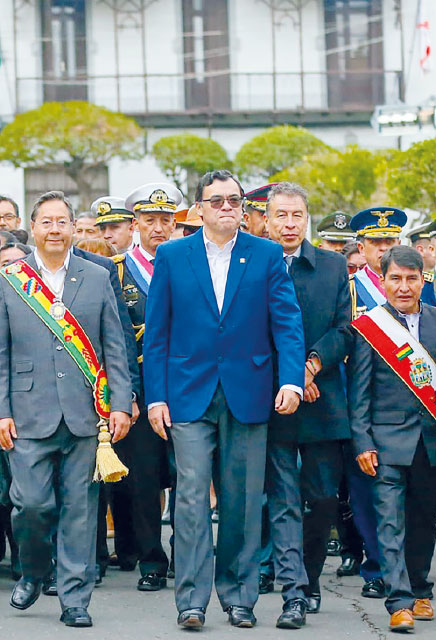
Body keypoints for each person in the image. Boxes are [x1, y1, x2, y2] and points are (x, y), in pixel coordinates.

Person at [143, 169, 304, 629]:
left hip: (249, 392)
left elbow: (287, 324)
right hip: (187, 395)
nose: (227, 208)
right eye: (217, 201)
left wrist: (290, 380)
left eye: (234, 201)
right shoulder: (173, 256)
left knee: (243, 500)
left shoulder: (267, 254)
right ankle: (191, 601)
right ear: (199, 209)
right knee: (191, 499)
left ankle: (239, 597)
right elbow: (156, 334)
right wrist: (156, 397)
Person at [0, 191, 132, 628]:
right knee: (31, 505)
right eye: (45, 222)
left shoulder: (96, 276)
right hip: (28, 413)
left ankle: (74, 599)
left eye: (61, 222)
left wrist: (121, 404)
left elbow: (114, 346)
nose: (54, 229)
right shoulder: (11, 279)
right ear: (33, 228)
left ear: (72, 227)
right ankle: (33, 569)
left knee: (80, 512)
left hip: (87, 414)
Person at [350, 245, 436, 633]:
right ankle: (398, 601)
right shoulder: (370, 326)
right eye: (396, 279)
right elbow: (360, 393)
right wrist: (362, 441)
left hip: (433, 441)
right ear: (383, 281)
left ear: (424, 280)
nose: (404, 287)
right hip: (385, 443)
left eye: (411, 278)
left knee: (423, 522)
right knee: (389, 523)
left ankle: (420, 590)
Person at [259, 182, 352, 628]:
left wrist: (310, 366)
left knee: (321, 499)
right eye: (281, 215)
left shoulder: (333, 266)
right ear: (267, 219)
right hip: (273, 401)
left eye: (297, 215)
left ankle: (309, 578)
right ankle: (291, 587)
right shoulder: (253, 261)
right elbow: (250, 332)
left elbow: (344, 329)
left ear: (307, 218)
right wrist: (289, 378)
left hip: (324, 400)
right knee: (282, 500)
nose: (289, 224)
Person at [110, 183, 178, 593]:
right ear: (135, 224)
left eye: (165, 220)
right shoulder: (117, 270)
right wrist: (128, 395)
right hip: (139, 386)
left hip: (184, 384)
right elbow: (115, 338)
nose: (158, 228)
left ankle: (186, 556)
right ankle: (152, 560)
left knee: (188, 477)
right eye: (149, 220)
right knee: (144, 479)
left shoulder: (189, 262)